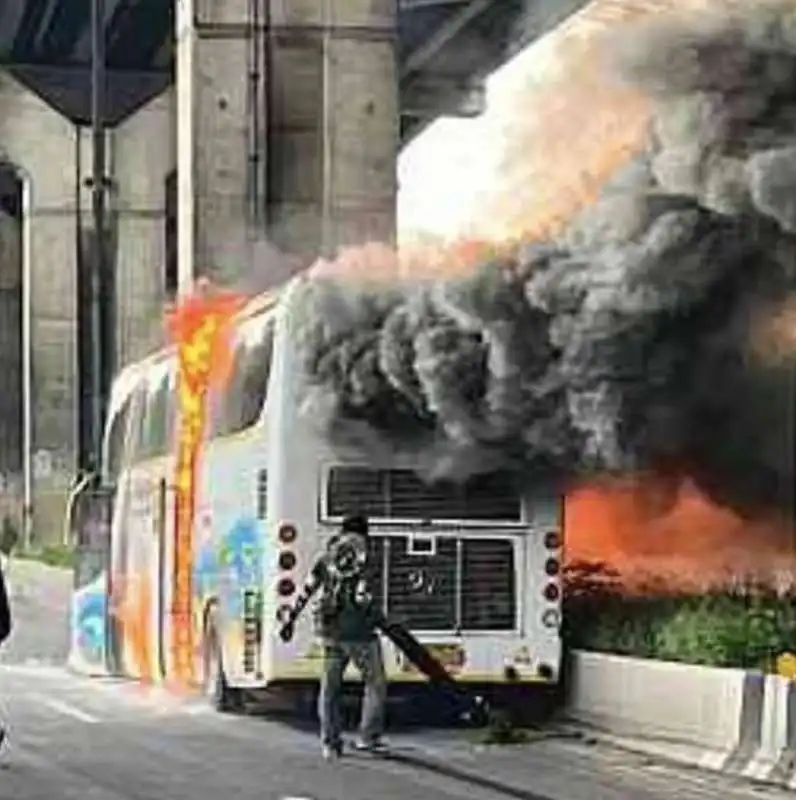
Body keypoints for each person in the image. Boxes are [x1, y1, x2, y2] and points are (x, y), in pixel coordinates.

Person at [310, 513, 387, 760]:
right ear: (365, 532)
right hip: (360, 633)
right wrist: (379, 617)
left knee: (330, 689)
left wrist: (290, 619)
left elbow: (310, 586)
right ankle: (367, 737)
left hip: (331, 632)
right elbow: (364, 597)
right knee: (375, 684)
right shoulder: (366, 555)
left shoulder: (328, 555)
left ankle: (330, 743)